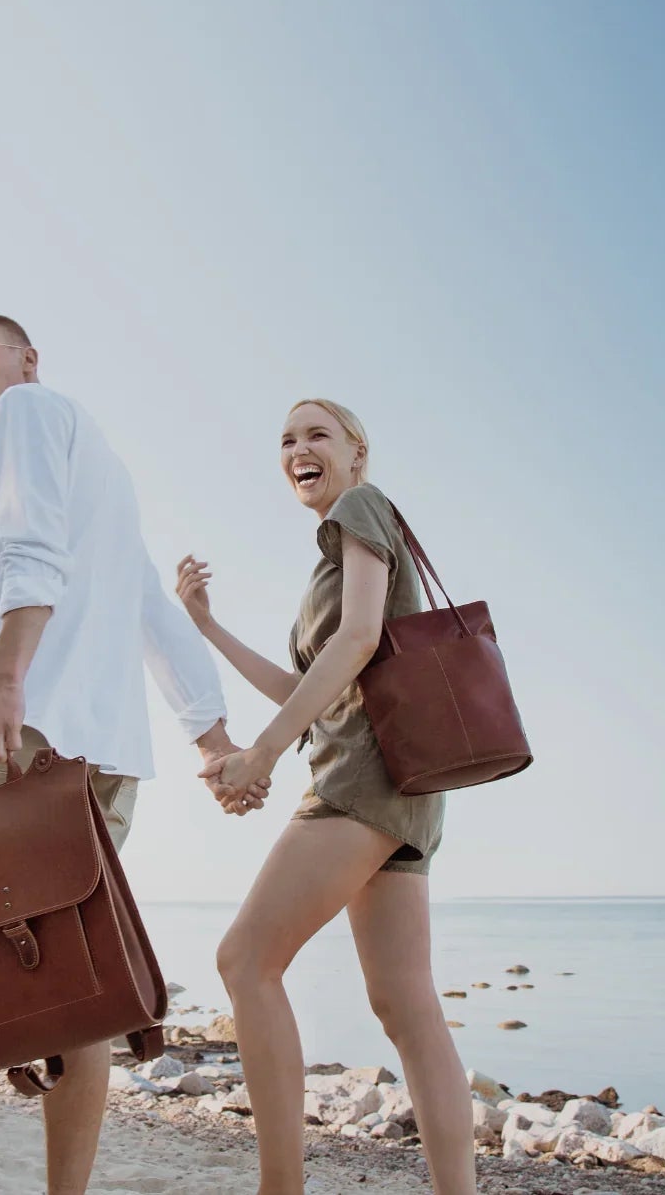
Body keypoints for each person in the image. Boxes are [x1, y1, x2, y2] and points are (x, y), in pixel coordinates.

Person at [0, 313, 268, 1195]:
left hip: (22, 733)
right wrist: (211, 735)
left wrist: (7, 682)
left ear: (28, 359)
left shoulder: (28, 412)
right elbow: (151, 607)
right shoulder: (106, 467)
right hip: (105, 759)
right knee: (79, 982)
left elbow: (32, 552)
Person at [178, 398, 477, 1195]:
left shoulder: (362, 506)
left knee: (246, 959)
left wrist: (263, 753)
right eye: (286, 438)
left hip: (361, 779)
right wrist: (207, 626)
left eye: (317, 433)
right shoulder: (332, 556)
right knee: (406, 1007)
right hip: (404, 790)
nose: (298, 448)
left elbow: (361, 638)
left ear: (357, 454)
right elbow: (309, 686)